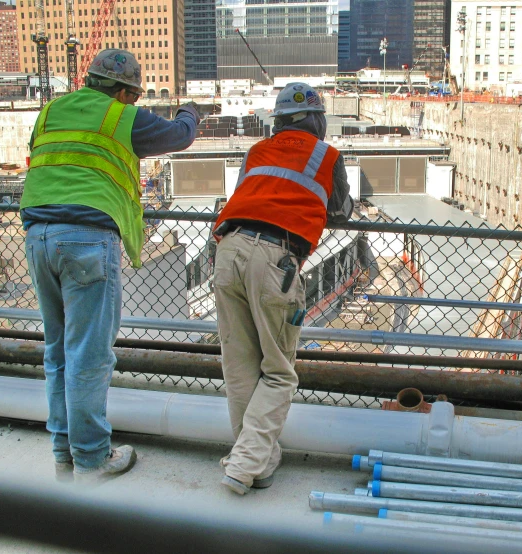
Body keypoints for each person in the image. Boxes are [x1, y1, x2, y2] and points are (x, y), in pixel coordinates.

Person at [20, 49, 199, 483]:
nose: (132, 103)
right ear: (123, 91)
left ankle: (64, 451)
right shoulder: (121, 117)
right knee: (89, 355)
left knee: (58, 351)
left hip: (37, 234)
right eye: (132, 96)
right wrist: (191, 111)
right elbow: (179, 135)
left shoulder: (50, 111)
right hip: (85, 236)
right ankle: (93, 457)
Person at [212, 82, 354, 495]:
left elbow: (245, 194)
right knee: (278, 372)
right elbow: (340, 210)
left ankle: (258, 461)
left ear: (278, 122)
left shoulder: (256, 152)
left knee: (239, 368)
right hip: (276, 260)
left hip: (228, 249)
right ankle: (242, 466)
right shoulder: (327, 156)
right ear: (317, 119)